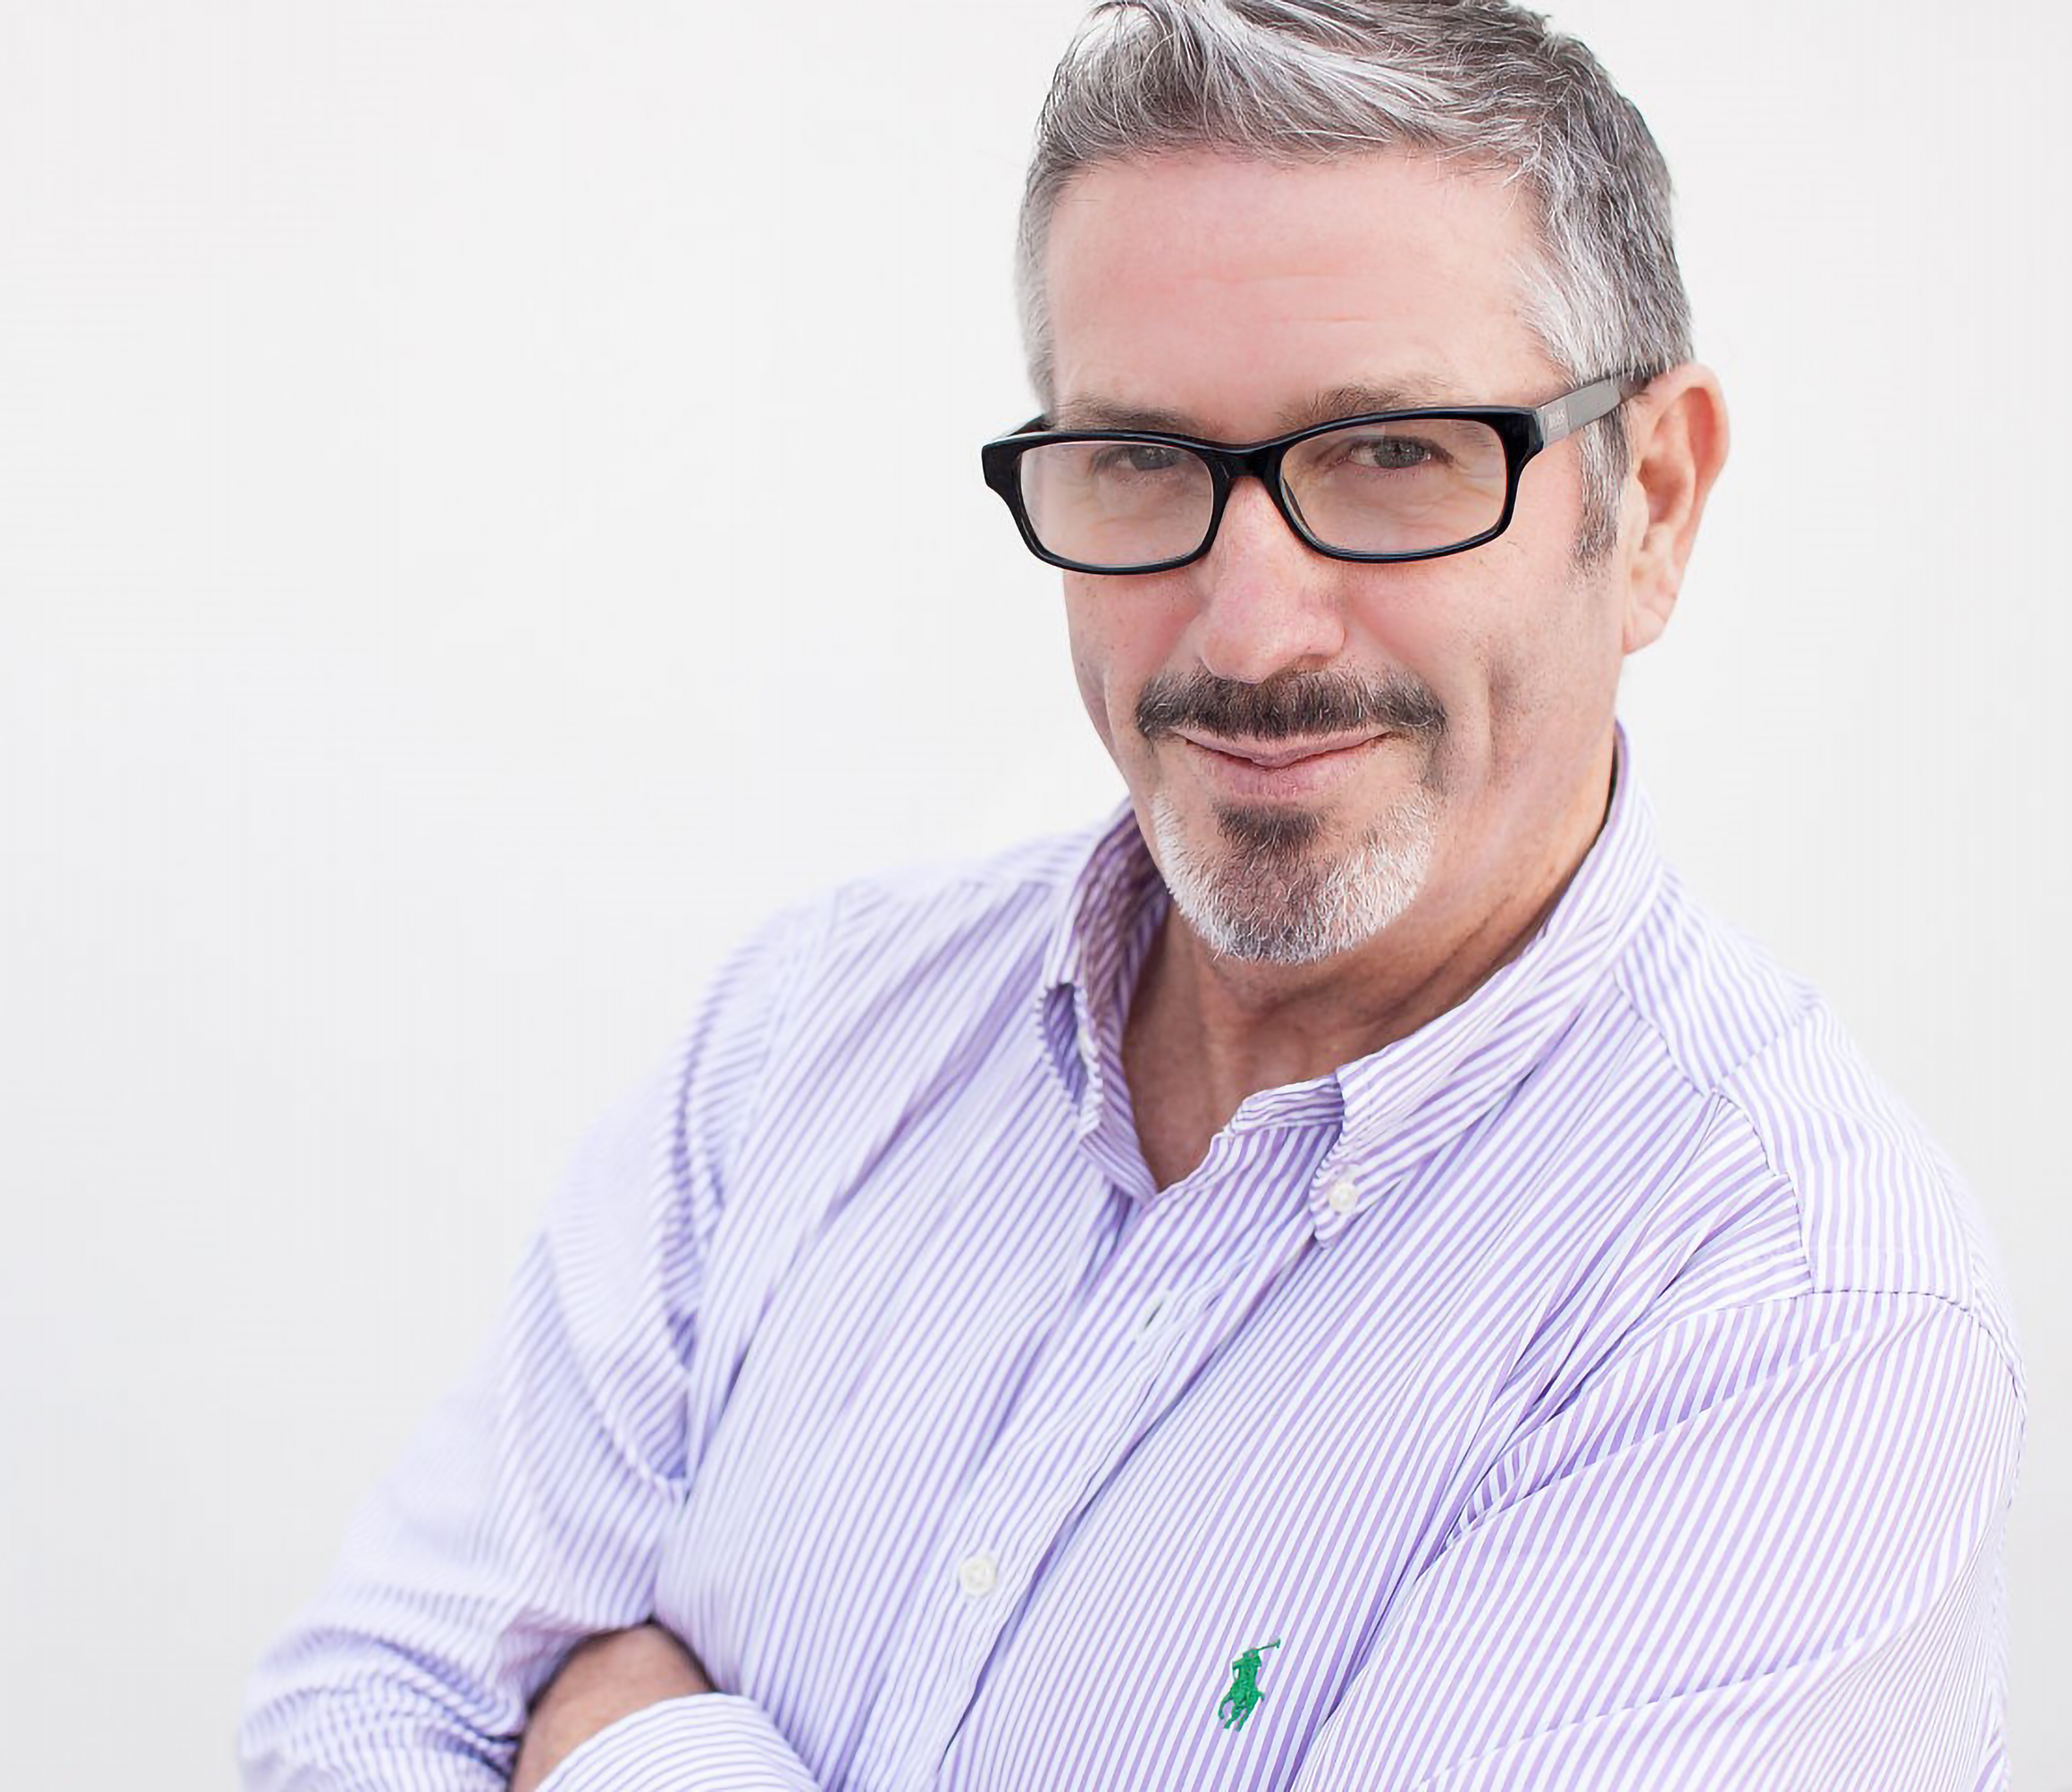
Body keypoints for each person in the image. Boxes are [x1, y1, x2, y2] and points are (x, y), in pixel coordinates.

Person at [239, 2, 2024, 1785]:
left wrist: (628, 1736)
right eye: (1146, 464)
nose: (1250, 631)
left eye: (1393, 454)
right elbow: (359, 1712)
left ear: (1654, 501)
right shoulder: (806, 1031)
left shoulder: (1789, 1318)